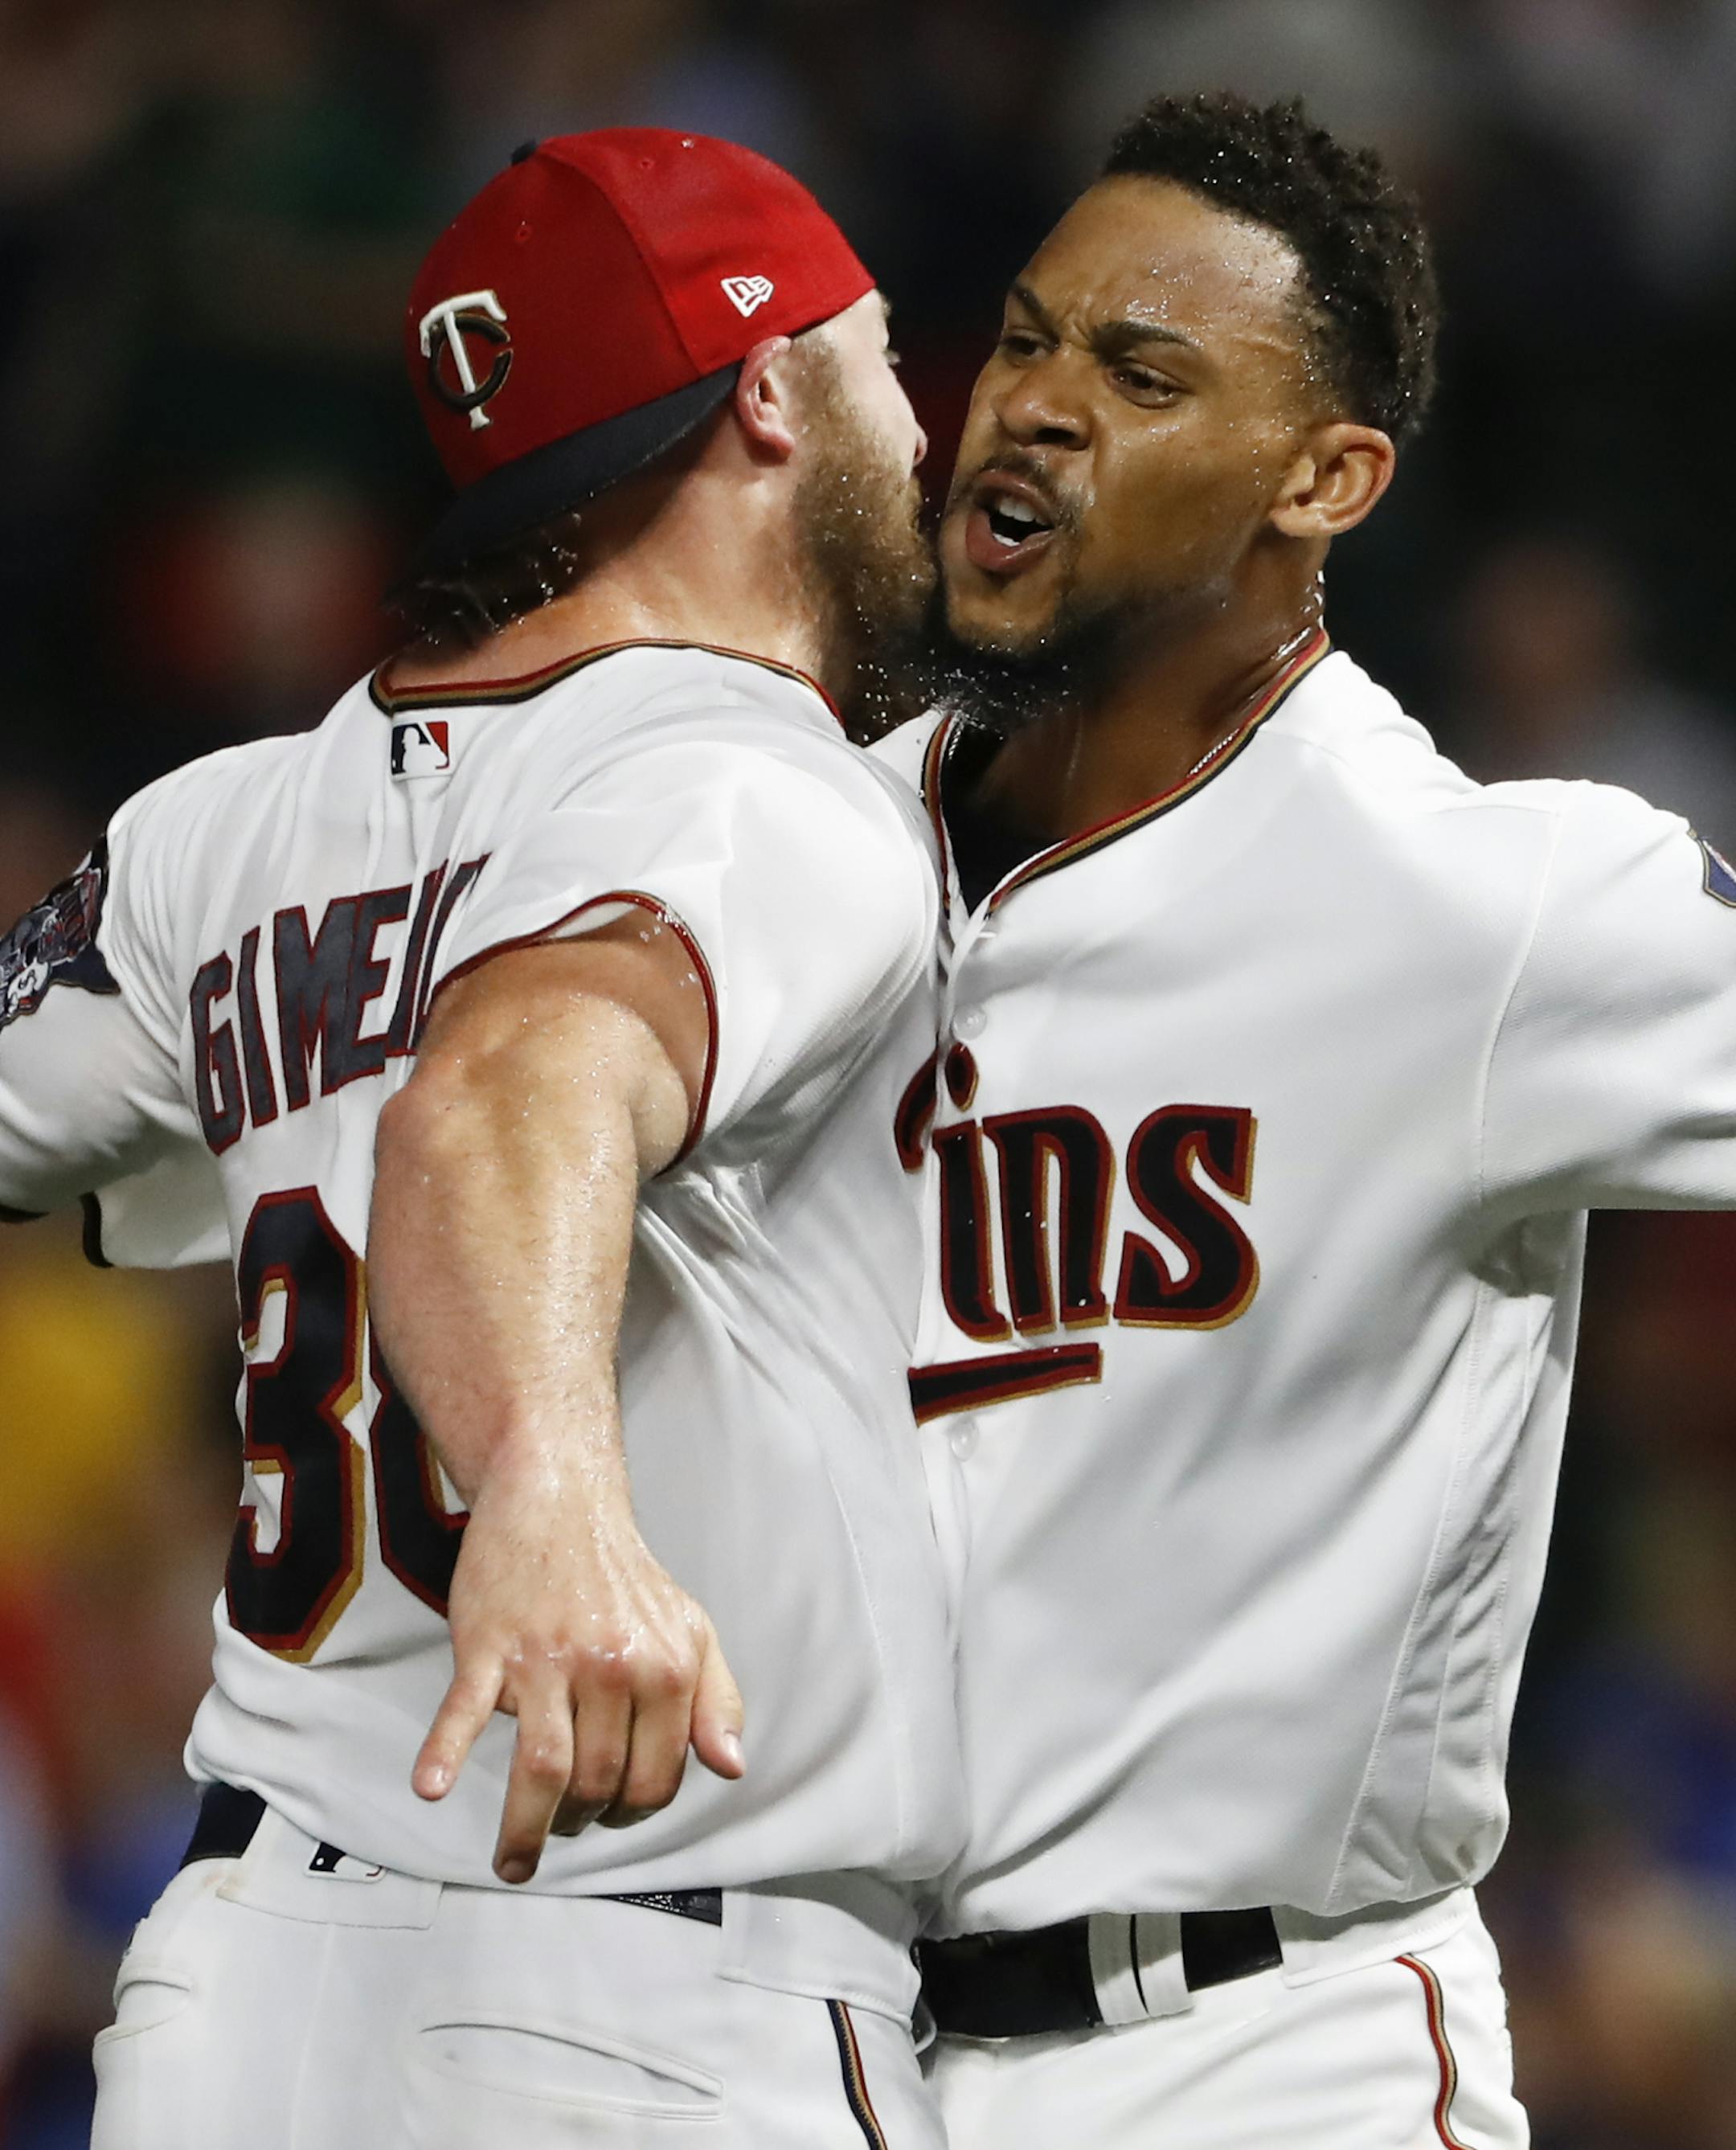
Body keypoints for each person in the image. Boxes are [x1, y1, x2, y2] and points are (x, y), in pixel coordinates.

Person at [0, 129, 962, 2148]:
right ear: (770, 388)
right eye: (880, 356)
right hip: (642, 1972)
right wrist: (547, 1489)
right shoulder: (764, 791)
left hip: (238, 1997)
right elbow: (509, 1086)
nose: (925, 419)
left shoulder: (221, 829)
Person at [875, 90, 1736, 2148]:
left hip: (1264, 2051)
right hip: (827, 2050)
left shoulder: (1481, 908)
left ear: (1327, 477)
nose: (1043, 408)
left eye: (1145, 373)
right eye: (1026, 339)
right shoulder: (799, 867)